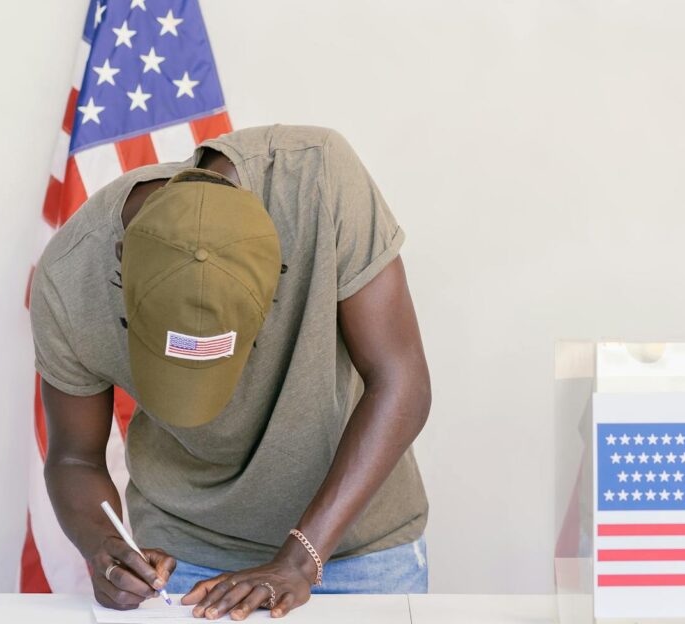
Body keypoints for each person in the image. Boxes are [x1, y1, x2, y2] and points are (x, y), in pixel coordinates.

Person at [30, 125, 431, 620]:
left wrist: (302, 560)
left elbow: (401, 380)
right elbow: (74, 459)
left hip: (355, 549)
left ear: (273, 277)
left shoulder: (319, 181)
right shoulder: (71, 279)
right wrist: (104, 545)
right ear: (122, 261)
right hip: (185, 557)